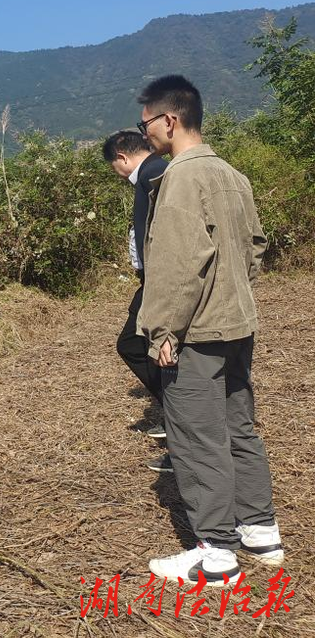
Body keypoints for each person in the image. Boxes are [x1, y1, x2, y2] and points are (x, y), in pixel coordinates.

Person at [136, 75, 282, 585]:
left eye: (146, 122)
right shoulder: (232, 175)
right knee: (238, 425)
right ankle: (260, 530)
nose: (145, 132)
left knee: (197, 437)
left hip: (195, 331)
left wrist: (162, 331)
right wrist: (234, 293)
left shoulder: (181, 178)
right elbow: (256, 246)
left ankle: (215, 555)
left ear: (169, 121)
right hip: (237, 323)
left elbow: (178, 264)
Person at [102, 130, 171, 473]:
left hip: (161, 281)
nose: (116, 171)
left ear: (121, 156)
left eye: (113, 164)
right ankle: (178, 421)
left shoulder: (153, 174)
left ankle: (180, 422)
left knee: (134, 344)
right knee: (143, 346)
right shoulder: (154, 172)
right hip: (155, 279)